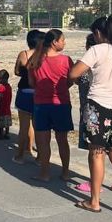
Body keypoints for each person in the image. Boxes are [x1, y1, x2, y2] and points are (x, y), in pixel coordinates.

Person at [69, 16, 112, 221]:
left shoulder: (96, 50)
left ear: (98, 33)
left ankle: (94, 201)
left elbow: (74, 73)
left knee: (97, 154)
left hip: (98, 108)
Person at [74, 34, 112, 193]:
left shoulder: (87, 66)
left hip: (93, 113)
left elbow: (74, 78)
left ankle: (94, 184)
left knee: (95, 152)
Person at [28, 29, 74, 182]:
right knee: (62, 141)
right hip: (61, 104)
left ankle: (44, 173)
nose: (64, 42)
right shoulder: (66, 60)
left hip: (41, 104)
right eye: (63, 40)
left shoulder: (36, 59)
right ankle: (66, 172)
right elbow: (70, 80)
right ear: (55, 42)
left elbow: (31, 83)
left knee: (43, 141)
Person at [12, 30, 45, 164]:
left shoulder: (23, 54)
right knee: (39, 128)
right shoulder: (44, 55)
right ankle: (39, 157)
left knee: (24, 127)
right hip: (39, 93)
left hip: (25, 91)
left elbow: (16, 71)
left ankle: (20, 155)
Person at [0, 69, 12, 140]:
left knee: (1, 122)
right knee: (7, 122)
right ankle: (7, 133)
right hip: (7, 108)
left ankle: (0, 134)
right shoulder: (9, 87)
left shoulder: (1, 87)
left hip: (1, 108)